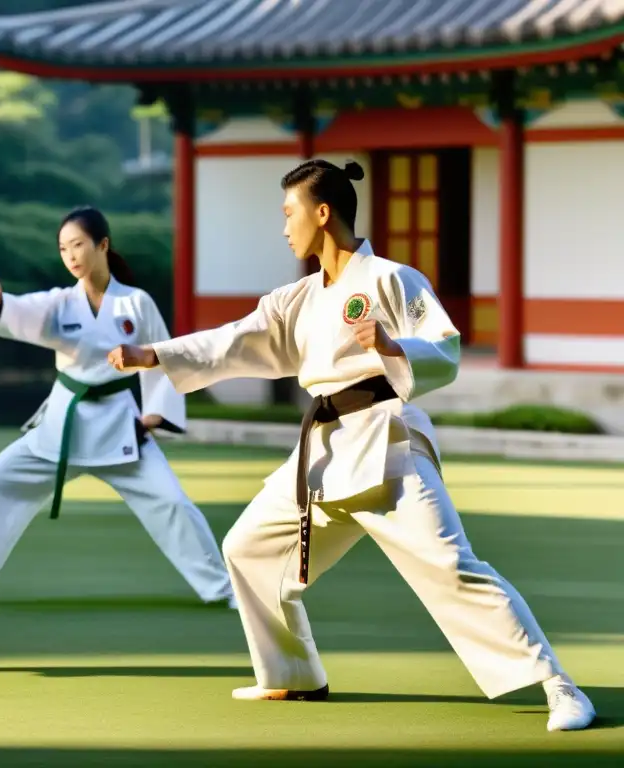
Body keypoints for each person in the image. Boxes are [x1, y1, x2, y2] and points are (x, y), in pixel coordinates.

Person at [107, 159, 595, 733]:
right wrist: (155, 355)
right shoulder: (296, 297)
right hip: (322, 452)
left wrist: (393, 346)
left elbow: (445, 345)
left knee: (450, 567)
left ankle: (559, 686)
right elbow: (235, 339)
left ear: (323, 212)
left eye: (290, 213)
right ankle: (292, 672)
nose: (284, 226)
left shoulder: (392, 278)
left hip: (387, 445)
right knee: (247, 549)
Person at [0, 206, 235, 608]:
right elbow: (14, 314)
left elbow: (163, 356)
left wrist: (155, 415)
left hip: (120, 428)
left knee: (173, 502)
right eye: (63, 249)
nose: (71, 256)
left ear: (102, 245)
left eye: (78, 245)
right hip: (64, 424)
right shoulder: (58, 304)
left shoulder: (136, 304)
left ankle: (224, 589)